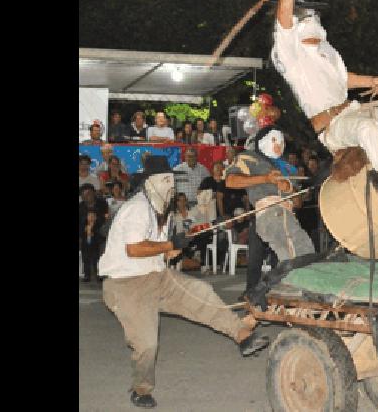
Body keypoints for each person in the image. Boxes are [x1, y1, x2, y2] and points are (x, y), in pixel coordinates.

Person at [97, 155, 271, 408]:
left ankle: (242, 335)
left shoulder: (162, 211)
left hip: (157, 276)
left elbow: (167, 254)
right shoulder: (137, 207)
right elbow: (134, 249)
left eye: (172, 180)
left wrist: (185, 241)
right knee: (147, 344)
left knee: (201, 291)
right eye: (165, 179)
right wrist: (171, 244)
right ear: (150, 182)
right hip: (126, 285)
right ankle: (140, 389)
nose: (171, 185)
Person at [269, 0, 378, 200]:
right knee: (367, 129)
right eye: (308, 15)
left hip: (354, 108)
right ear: (299, 21)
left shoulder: (327, 50)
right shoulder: (291, 55)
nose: (314, 18)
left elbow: (342, 78)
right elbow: (283, 20)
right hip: (333, 126)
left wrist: (373, 81)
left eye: (315, 14)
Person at [225, 123, 315, 296]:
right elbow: (231, 181)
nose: (278, 144)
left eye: (281, 141)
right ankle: (270, 293)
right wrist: (265, 178)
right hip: (270, 211)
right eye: (274, 139)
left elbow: (298, 204)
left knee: (294, 254)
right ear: (262, 141)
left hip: (287, 214)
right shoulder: (250, 158)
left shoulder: (288, 168)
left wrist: (289, 189)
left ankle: (278, 295)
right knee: (299, 252)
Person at [80, 183, 109, 282]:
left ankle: (99, 273)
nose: (87, 196)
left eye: (89, 193)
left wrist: (95, 221)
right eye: (84, 194)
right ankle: (87, 274)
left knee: (98, 254)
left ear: (93, 193)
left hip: (99, 233)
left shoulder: (102, 203)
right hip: (85, 234)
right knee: (86, 254)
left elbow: (106, 218)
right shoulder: (81, 206)